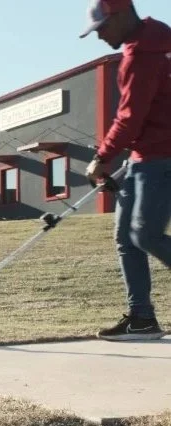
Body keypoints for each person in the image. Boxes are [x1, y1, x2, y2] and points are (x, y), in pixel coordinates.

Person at [80, 0, 171, 341]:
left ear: (120, 16)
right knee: (125, 238)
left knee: (145, 235)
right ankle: (142, 318)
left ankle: (142, 316)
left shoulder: (143, 54)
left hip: (161, 157)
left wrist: (102, 156)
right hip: (142, 157)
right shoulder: (157, 38)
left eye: (102, 28)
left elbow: (130, 117)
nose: (100, 36)